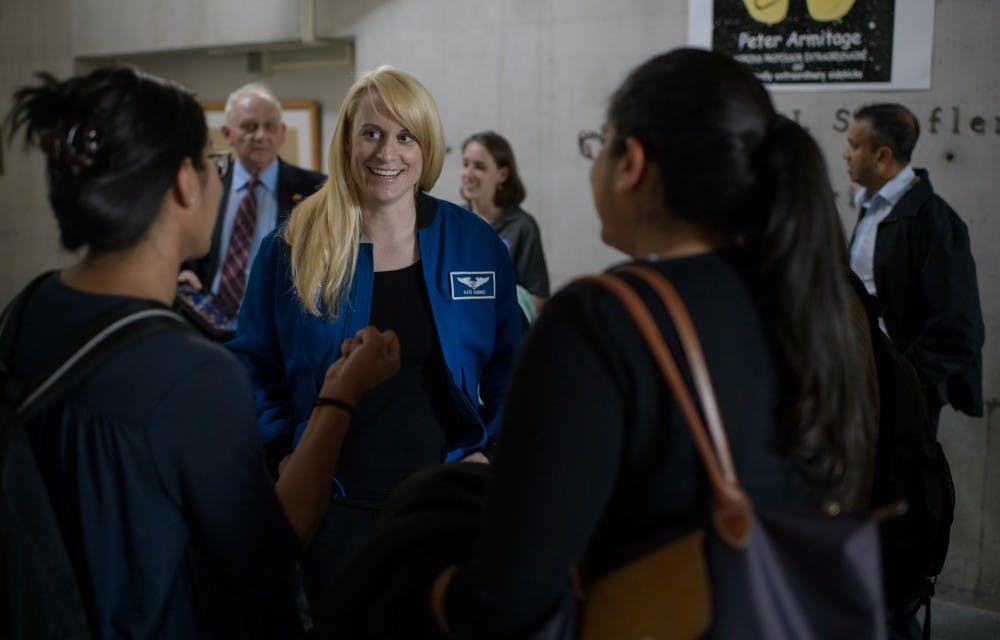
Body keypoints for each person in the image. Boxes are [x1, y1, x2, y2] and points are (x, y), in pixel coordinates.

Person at [415, 48, 875, 638]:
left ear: (631, 162)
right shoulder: (812, 302)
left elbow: (506, 598)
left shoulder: (600, 321)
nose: (594, 163)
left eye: (598, 143)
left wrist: (420, 577)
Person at [3, 66, 399, 639]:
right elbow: (268, 551)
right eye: (212, 163)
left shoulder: (26, 309)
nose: (220, 178)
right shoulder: (193, 373)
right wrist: (340, 395)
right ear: (184, 184)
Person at [227, 66, 523, 605]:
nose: (388, 153)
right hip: (331, 509)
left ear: (426, 146)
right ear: (347, 141)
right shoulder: (289, 247)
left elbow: (518, 366)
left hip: (443, 507)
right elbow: (252, 366)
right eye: (372, 133)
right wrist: (281, 456)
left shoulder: (476, 246)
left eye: (406, 136)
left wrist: (493, 453)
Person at [845, 103, 984, 434]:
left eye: (853, 145)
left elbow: (959, 328)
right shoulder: (873, 209)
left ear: (882, 156)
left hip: (899, 395)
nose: (845, 154)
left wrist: (906, 379)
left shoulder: (933, 221)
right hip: (864, 382)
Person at [180, 82, 326, 312]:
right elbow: (183, 246)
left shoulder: (315, 190)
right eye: (249, 127)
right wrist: (182, 272)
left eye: (269, 126)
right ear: (228, 134)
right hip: (209, 321)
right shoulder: (205, 184)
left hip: (277, 327)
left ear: (282, 133)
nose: (260, 135)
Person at [461, 131, 550, 316]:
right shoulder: (454, 221)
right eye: (465, 164)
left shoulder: (523, 226)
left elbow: (539, 298)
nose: (468, 173)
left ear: (502, 174)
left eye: (479, 166)